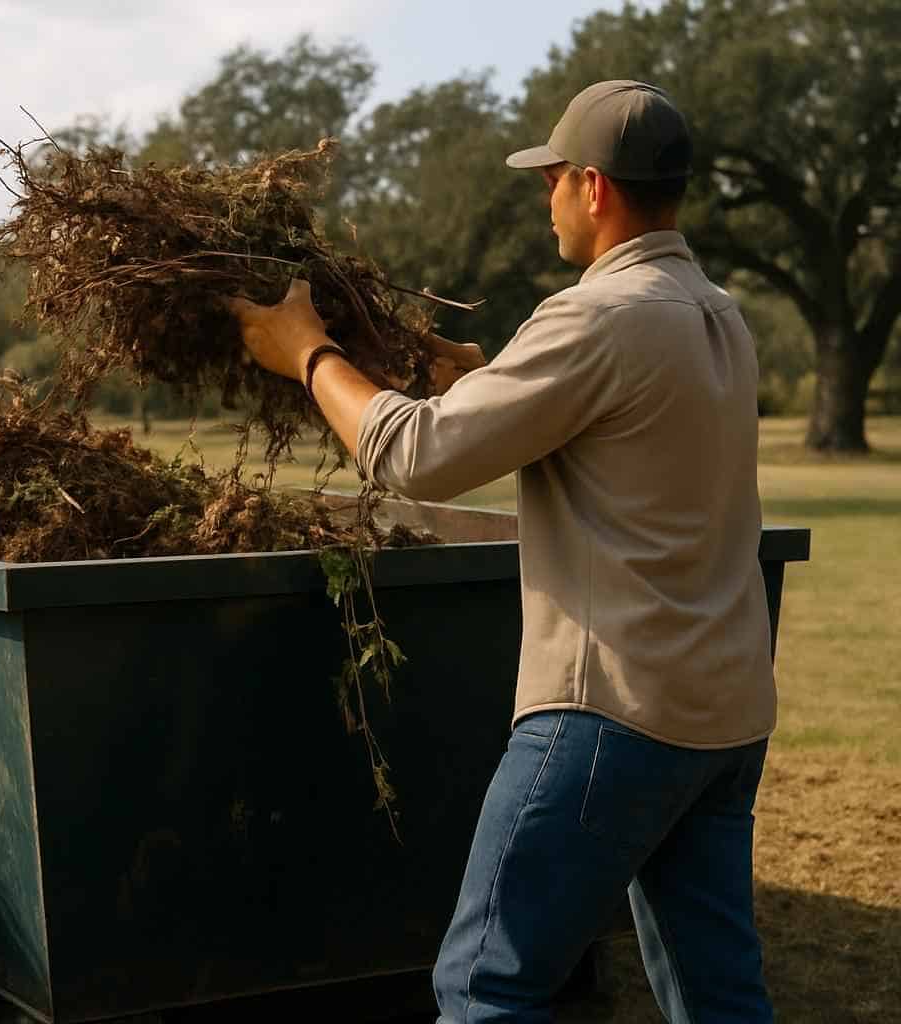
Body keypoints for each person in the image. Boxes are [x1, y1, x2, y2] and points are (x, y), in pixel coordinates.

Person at [227, 80, 776, 1023]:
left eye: (553, 177)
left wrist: (307, 348)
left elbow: (413, 453)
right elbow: (630, 436)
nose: (544, 196)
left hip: (611, 716)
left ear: (594, 188)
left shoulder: (595, 316)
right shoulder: (716, 311)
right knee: (717, 998)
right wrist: (486, 379)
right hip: (723, 720)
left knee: (486, 988)